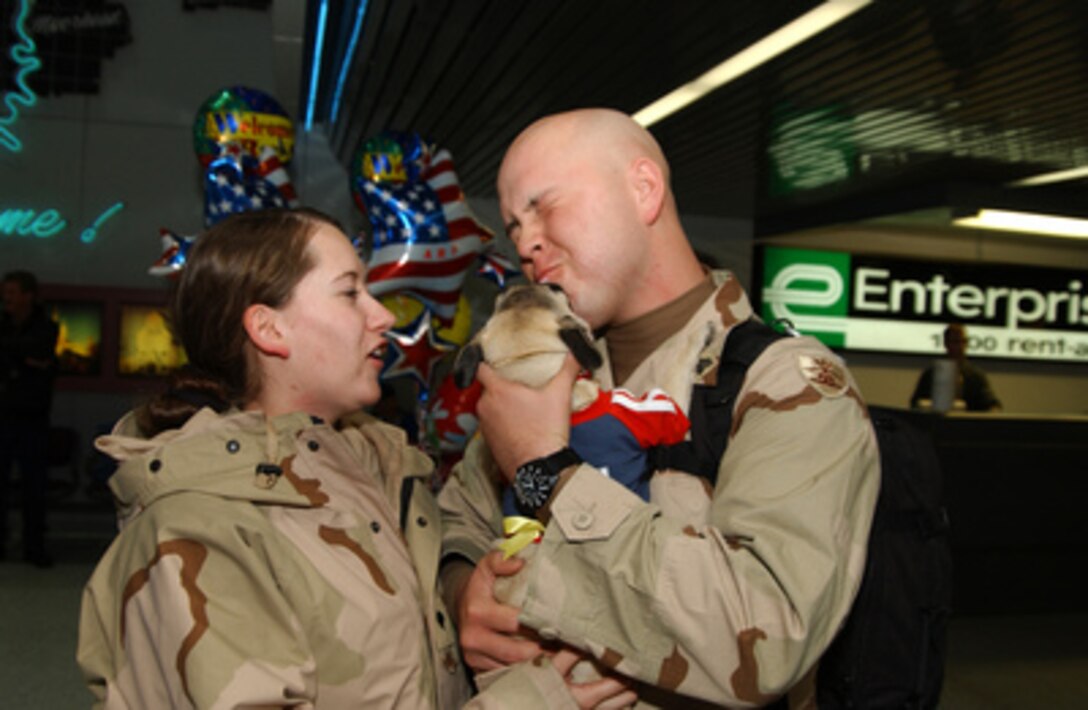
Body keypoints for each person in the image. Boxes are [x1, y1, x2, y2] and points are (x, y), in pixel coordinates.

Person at [77, 208, 634, 709]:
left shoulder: (383, 475)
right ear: (269, 329)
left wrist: (461, 593)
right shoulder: (199, 528)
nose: (383, 316)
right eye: (350, 293)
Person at [438, 109, 881, 707]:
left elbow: (765, 638)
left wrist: (545, 470)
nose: (525, 241)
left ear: (643, 190)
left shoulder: (785, 386)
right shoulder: (549, 367)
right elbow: (454, 519)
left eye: (544, 207)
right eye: (515, 225)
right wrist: (464, 589)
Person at [0, 269, 59, 568]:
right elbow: (31, 357)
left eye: (11, 292)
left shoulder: (47, 328)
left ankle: (34, 545)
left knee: (33, 487)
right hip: (3, 417)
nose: (6, 298)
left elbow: (40, 353)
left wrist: (19, 357)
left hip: (33, 419)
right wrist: (26, 361)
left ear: (27, 295)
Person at [911, 323, 1002, 412]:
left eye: (963, 342)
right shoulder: (931, 375)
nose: (960, 347)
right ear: (946, 343)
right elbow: (916, 404)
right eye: (955, 342)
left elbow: (991, 403)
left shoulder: (975, 376)